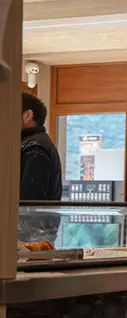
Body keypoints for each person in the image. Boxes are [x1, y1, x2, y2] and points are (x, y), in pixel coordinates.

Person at [19, 93, 62, 243]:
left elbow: (29, 202)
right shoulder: (35, 144)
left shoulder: (34, 148)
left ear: (27, 115)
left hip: (29, 241)